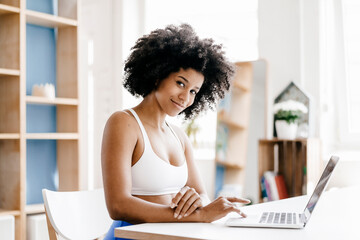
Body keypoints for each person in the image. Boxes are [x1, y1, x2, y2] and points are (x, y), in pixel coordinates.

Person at [101, 24, 250, 240]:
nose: (185, 98)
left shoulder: (179, 136)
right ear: (157, 74)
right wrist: (197, 216)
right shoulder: (123, 123)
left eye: (193, 92)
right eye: (180, 83)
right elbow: (118, 205)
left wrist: (196, 202)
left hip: (173, 234)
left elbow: (203, 195)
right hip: (132, 235)